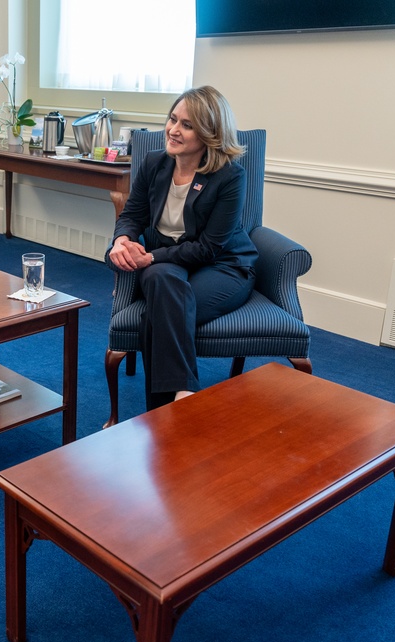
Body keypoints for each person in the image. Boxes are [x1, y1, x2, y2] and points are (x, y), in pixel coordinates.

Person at [107, 86, 257, 411]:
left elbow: (209, 247)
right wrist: (122, 241)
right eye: (173, 119)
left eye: (187, 125)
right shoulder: (153, 163)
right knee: (162, 283)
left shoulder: (229, 176)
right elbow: (132, 215)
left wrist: (148, 256)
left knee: (160, 308)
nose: (174, 130)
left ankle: (162, 413)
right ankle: (183, 401)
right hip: (165, 265)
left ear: (209, 134)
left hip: (221, 266)